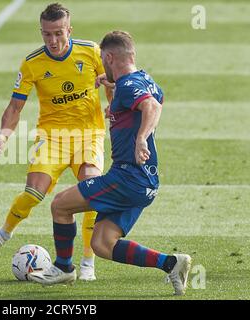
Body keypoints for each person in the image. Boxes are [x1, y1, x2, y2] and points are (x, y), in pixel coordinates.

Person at [28, 30, 192, 296]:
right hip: (146, 183)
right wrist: (116, 100)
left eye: (103, 61)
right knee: (103, 244)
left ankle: (63, 268)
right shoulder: (144, 79)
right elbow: (155, 98)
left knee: (60, 205)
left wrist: (140, 138)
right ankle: (172, 263)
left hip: (126, 177)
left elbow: (152, 106)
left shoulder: (128, 87)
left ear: (109, 56)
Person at [0, 3, 113, 281]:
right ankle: (4, 233)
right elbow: (15, 107)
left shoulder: (91, 52)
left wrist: (113, 102)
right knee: (34, 192)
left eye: (58, 33)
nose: (53, 41)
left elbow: (114, 83)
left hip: (89, 135)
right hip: (52, 137)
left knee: (92, 195)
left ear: (69, 30)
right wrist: (2, 138)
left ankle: (87, 262)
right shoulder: (32, 63)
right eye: (47, 34)